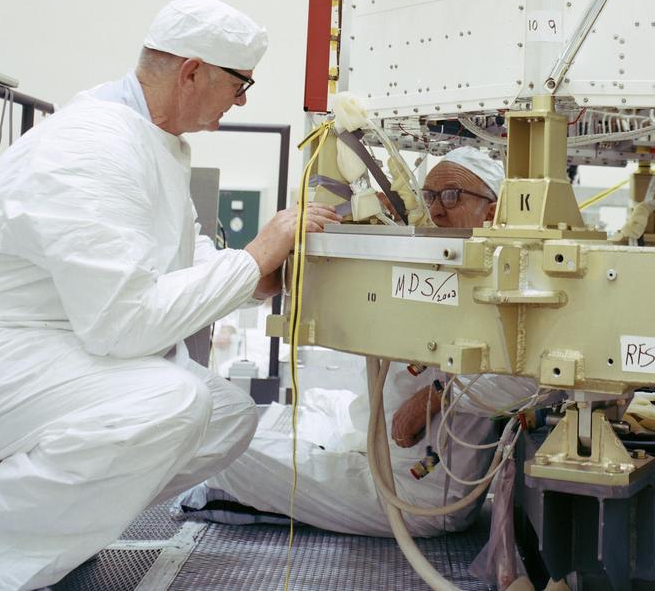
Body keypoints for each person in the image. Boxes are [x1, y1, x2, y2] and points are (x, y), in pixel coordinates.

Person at [0, 0, 339, 591]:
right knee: (173, 403)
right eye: (240, 83)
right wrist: (254, 256)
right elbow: (123, 326)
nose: (243, 100)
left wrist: (261, 275)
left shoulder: (150, 140)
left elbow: (186, 257)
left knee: (226, 417)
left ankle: (33, 529)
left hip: (40, 350)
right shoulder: (93, 147)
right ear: (193, 71)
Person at [175, 145, 540, 537]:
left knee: (226, 455)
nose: (434, 209)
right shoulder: (441, 267)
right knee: (313, 405)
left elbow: (537, 379)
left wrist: (439, 395)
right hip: (378, 447)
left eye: (451, 196)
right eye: (428, 196)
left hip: (417, 495)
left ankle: (203, 495)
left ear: (492, 209)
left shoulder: (515, 287)